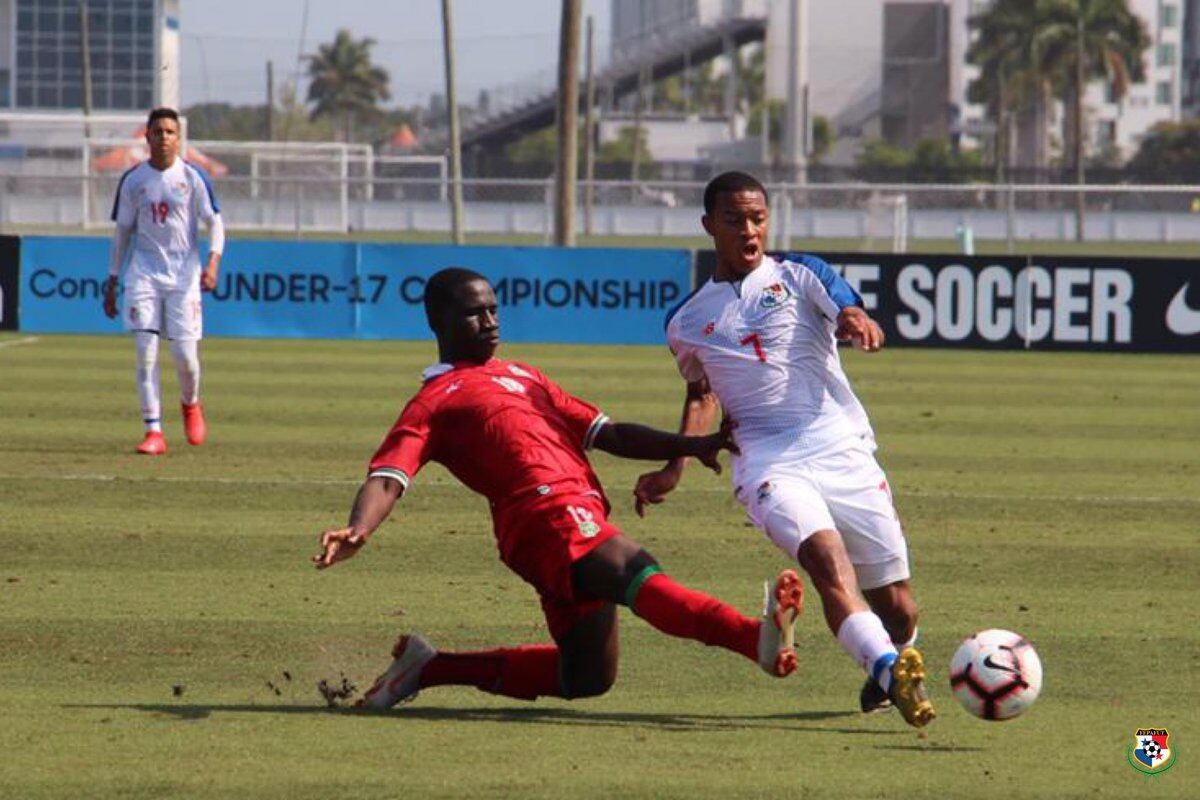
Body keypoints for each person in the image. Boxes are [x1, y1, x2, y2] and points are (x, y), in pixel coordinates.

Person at [312, 267, 804, 709]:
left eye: (493, 310)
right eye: (474, 314)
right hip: (543, 517)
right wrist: (359, 527)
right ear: (437, 322)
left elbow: (611, 434)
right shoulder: (435, 400)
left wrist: (693, 445)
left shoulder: (524, 376)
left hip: (572, 517)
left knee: (587, 676)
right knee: (633, 570)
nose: (490, 322)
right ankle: (751, 638)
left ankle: (429, 667)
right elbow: (389, 475)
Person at [633, 171, 935, 728]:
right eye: (735, 220)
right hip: (768, 463)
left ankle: (892, 657)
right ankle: (890, 669)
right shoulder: (686, 320)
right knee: (826, 563)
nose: (749, 230)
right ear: (709, 226)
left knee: (897, 606)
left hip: (841, 449)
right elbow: (701, 393)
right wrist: (676, 465)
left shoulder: (800, 274)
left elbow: (846, 307)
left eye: (758, 219)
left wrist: (857, 319)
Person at [103, 107, 225, 455]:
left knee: (186, 358)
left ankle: (190, 402)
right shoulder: (134, 180)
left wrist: (213, 262)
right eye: (158, 132)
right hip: (144, 272)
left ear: (178, 137)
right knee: (146, 353)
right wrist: (113, 279)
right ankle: (153, 430)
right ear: (148, 136)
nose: (164, 138)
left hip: (184, 275)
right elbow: (122, 232)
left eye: (170, 132)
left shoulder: (192, 177)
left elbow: (215, 223)